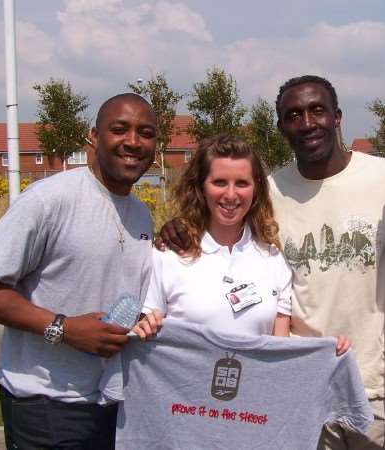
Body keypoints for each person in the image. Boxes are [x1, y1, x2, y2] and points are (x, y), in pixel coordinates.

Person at [158, 75, 385, 450]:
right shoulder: (267, 192)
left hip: (376, 388)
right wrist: (176, 228)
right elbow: (219, 221)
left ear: (338, 116)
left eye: (318, 110)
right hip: (300, 387)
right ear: (282, 126)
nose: (307, 122)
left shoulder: (382, 179)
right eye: (294, 114)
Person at [0, 92, 157, 449]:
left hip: (108, 401)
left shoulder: (142, 214)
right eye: (119, 129)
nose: (133, 142)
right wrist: (63, 328)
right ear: (94, 136)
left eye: (146, 132)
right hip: (47, 404)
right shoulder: (49, 199)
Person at [133, 135, 349, 357]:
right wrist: (141, 328)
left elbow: (280, 352)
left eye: (242, 183)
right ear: (200, 186)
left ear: (256, 189)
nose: (230, 194)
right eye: (219, 182)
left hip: (255, 391)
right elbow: (145, 337)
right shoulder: (167, 256)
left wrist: (325, 354)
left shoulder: (273, 258)